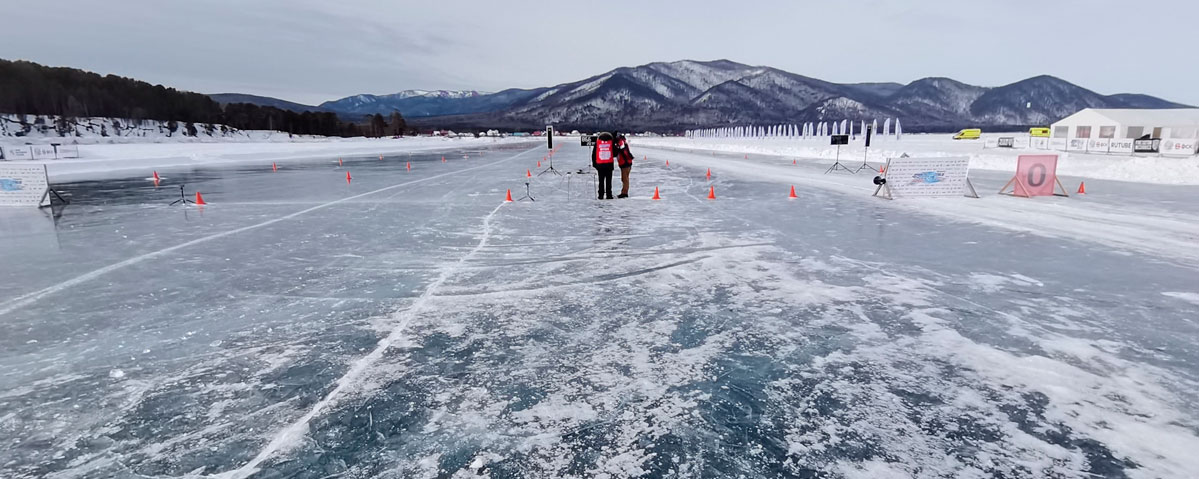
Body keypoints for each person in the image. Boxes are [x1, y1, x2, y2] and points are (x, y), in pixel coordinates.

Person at [591, 131, 615, 199]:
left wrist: (594, 164)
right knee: (608, 181)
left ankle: (600, 195)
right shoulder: (611, 142)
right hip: (609, 165)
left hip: (600, 165)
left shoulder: (598, 143)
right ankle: (609, 194)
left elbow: (594, 154)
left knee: (601, 181)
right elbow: (615, 153)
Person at [615, 133, 634, 198]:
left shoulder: (621, 143)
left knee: (625, 178)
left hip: (625, 163)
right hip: (625, 163)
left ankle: (624, 193)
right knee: (624, 178)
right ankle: (624, 192)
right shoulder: (622, 143)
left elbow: (624, 152)